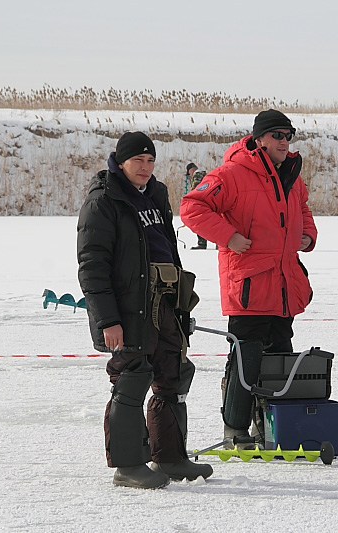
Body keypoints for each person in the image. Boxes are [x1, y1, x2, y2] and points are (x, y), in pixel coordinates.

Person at [77, 131, 213, 489]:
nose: (145, 167)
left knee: (174, 372)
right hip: (129, 307)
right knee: (131, 377)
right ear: (120, 161)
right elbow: (92, 266)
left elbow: (168, 246)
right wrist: (108, 320)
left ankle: (169, 457)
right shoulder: (103, 201)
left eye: (150, 160)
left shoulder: (156, 194)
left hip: (164, 300)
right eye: (138, 160)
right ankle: (128, 465)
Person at [180, 109, 317, 448]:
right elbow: (192, 207)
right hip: (249, 285)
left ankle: (273, 426)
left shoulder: (291, 176)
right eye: (277, 136)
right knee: (246, 357)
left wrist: (308, 236)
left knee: (280, 357)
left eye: (288, 135)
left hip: (284, 285)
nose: (284, 141)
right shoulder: (233, 173)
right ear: (259, 140)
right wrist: (227, 236)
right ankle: (235, 430)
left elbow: (303, 209)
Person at [184, 163, 210, 249]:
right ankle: (219, 244)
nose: (189, 176)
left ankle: (202, 243)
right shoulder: (206, 175)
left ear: (191, 170)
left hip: (201, 204)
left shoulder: (197, 176)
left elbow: (195, 192)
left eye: (188, 174)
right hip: (210, 203)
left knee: (199, 222)